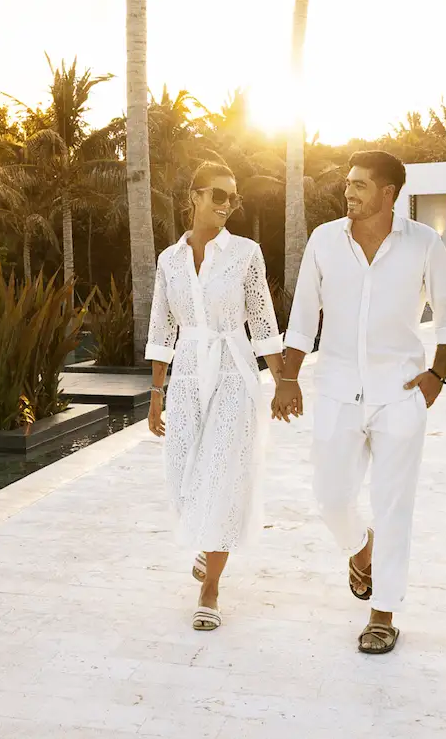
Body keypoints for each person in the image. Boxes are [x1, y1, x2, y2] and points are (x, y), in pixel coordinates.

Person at [271, 150, 446, 654]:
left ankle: (383, 613)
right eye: (348, 183)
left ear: (388, 193)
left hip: (400, 392)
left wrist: (437, 374)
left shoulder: (423, 243)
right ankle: (361, 550)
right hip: (336, 388)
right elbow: (303, 315)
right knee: (330, 495)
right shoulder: (324, 240)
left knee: (394, 504)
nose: (349, 191)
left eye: (360, 184)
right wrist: (288, 377)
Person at [145, 162, 290, 632]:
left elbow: (263, 321)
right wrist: (155, 393)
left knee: (223, 479)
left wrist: (283, 382)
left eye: (233, 199)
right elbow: (162, 328)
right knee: (182, 478)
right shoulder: (169, 260)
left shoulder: (245, 253)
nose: (227, 205)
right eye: (219, 196)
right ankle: (205, 550)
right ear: (195, 195)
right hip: (186, 372)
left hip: (233, 371)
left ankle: (210, 588)